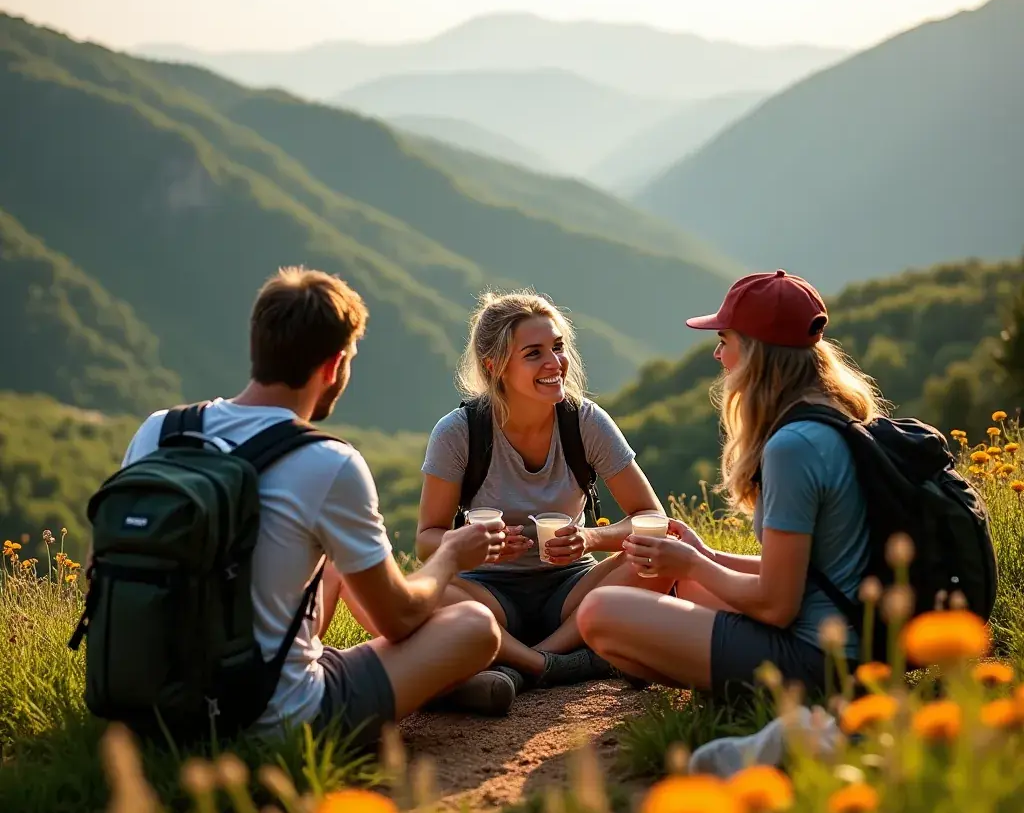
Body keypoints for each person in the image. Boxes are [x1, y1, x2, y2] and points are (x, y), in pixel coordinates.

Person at [106, 266, 508, 747]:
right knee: (475, 627)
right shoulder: (326, 462)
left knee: (333, 565)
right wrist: (450, 557)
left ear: (258, 345)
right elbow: (398, 619)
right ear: (333, 366)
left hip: (144, 709)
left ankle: (394, 675)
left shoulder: (160, 431)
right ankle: (426, 682)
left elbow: (104, 564)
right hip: (273, 721)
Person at [576, 269, 883, 702]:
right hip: (847, 635)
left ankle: (735, 688)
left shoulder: (792, 447)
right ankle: (705, 669)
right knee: (687, 586)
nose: (718, 355)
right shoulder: (834, 417)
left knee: (599, 611)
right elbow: (809, 574)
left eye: (725, 341)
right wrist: (706, 556)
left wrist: (692, 565)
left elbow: (777, 605)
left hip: (818, 657)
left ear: (755, 353)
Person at [409, 290, 667, 715]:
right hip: (487, 591)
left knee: (656, 556)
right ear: (494, 366)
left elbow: (652, 517)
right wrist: (476, 544)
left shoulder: (585, 421)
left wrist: (589, 537)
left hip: (570, 590)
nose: (555, 363)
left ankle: (517, 665)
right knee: (422, 594)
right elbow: (425, 541)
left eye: (558, 347)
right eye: (534, 353)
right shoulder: (459, 432)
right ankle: (561, 664)